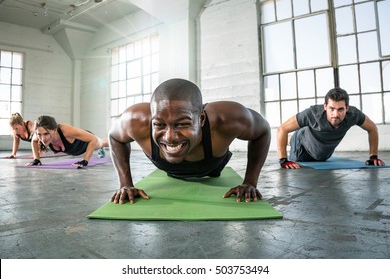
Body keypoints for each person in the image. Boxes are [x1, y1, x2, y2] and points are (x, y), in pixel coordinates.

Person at [109, 78, 271, 204]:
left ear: (201, 119)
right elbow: (114, 137)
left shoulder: (228, 118)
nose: (169, 137)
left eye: (182, 124)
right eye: (159, 124)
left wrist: (250, 182)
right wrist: (126, 184)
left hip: (212, 169)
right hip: (169, 169)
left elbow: (262, 131)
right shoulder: (135, 120)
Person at [277, 87, 385, 169]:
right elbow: (282, 129)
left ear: (347, 108)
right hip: (300, 149)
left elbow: (372, 128)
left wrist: (373, 157)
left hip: (322, 154)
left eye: (340, 109)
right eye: (331, 108)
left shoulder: (353, 115)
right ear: (325, 106)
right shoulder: (313, 113)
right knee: (296, 138)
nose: (335, 114)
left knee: (319, 153)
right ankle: (290, 139)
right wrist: (283, 160)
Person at [28, 115, 109, 168]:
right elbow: (34, 141)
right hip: (76, 149)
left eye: (46, 134)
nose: (43, 138)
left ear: (55, 130)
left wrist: (85, 160)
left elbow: (93, 139)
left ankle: (119, 141)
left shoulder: (65, 130)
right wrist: (36, 159)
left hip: (86, 142)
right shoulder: (39, 133)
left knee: (103, 143)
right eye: (39, 134)